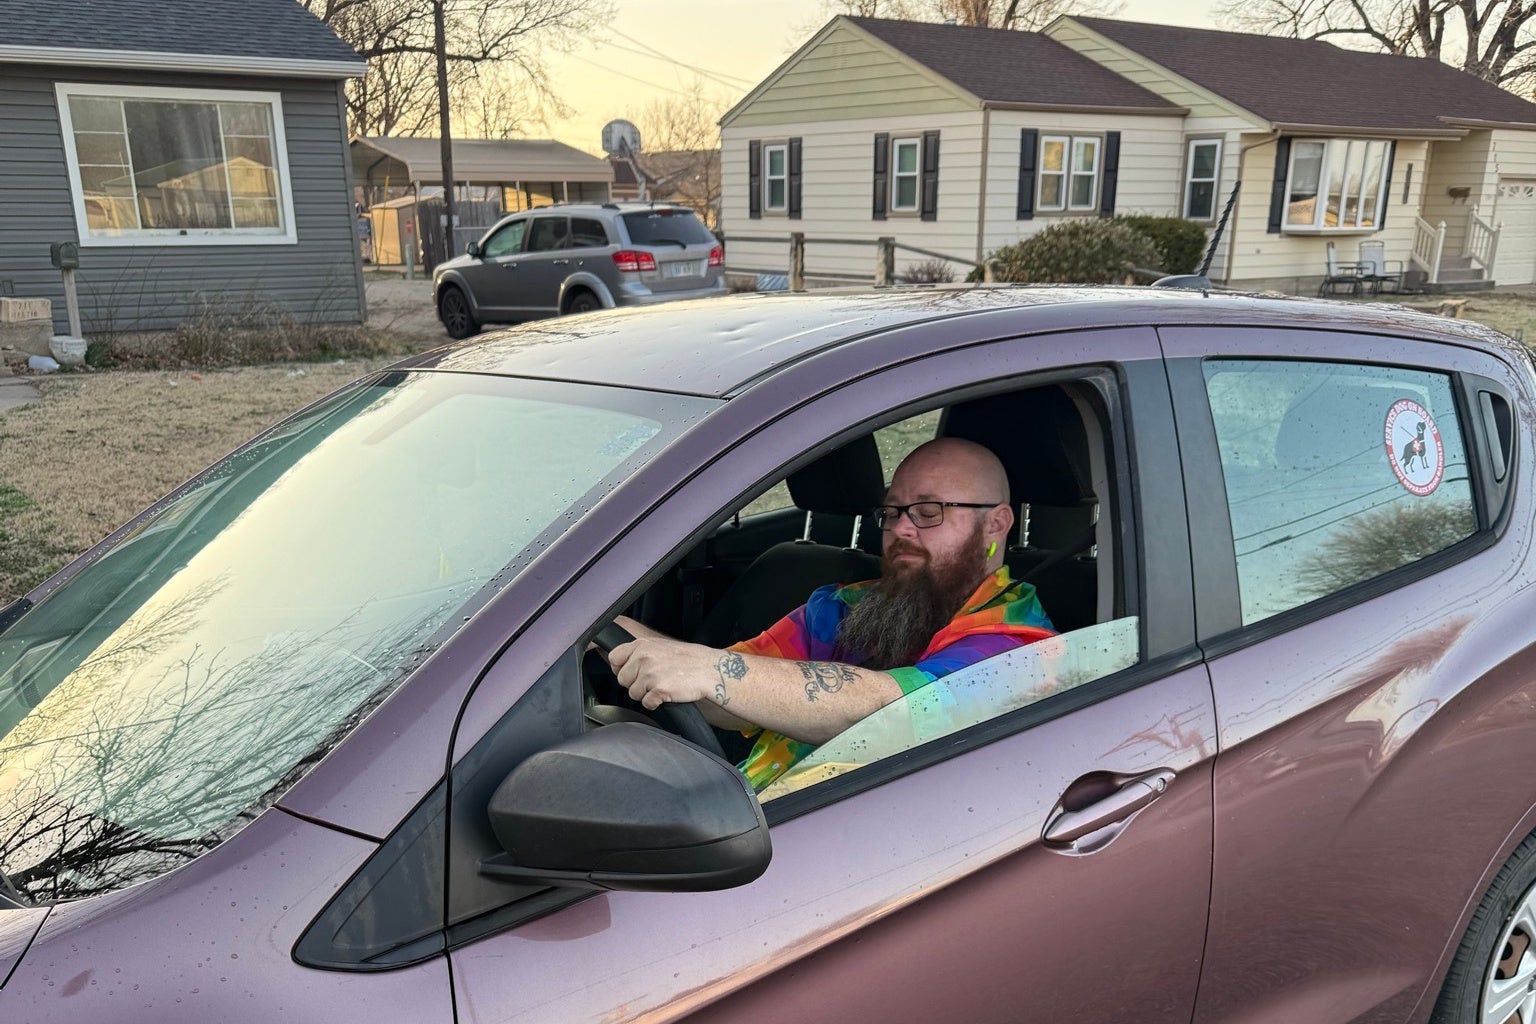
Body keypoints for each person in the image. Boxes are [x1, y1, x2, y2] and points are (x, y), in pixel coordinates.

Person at [607, 437, 1056, 789]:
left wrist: (713, 670)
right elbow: (736, 692)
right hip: (758, 818)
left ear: (995, 524)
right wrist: (606, 633)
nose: (901, 528)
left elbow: (891, 711)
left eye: (927, 512)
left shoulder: (1018, 645)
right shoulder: (844, 606)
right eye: (893, 511)